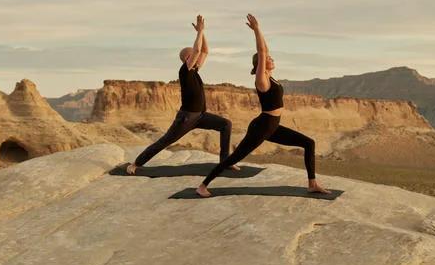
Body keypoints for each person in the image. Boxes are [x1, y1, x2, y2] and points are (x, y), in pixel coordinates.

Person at [196, 14, 330, 197]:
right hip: (262, 126)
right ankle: (203, 185)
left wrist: (260, 31)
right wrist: (257, 29)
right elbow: (262, 51)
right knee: (235, 157)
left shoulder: (271, 77)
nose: (272, 58)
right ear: (261, 63)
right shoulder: (262, 80)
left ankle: (312, 183)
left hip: (272, 126)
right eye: (269, 58)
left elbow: (265, 49)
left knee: (308, 143)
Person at [126, 15, 239, 174]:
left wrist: (203, 32)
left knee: (225, 124)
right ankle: (136, 164)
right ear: (188, 58)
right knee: (165, 141)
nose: (198, 56)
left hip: (200, 115)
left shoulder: (194, 69)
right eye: (193, 55)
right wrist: (199, 32)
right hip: (186, 118)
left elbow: (205, 50)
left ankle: (225, 161)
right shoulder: (185, 71)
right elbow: (199, 50)